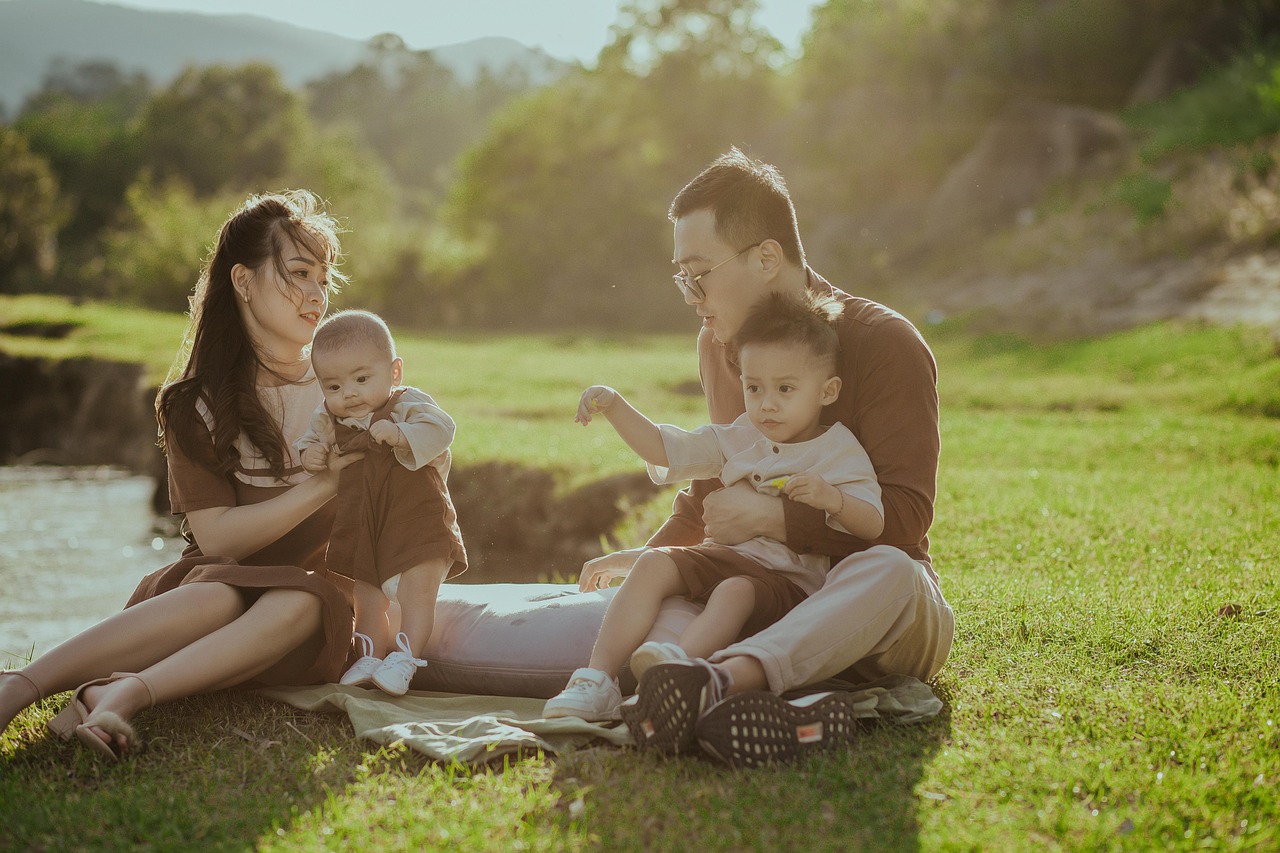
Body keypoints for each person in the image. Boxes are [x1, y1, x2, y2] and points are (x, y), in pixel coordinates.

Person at [577, 148, 955, 767]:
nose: (692, 295)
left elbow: (906, 521)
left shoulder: (886, 343)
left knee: (890, 569)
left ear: (768, 257)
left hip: (874, 616)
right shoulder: (721, 344)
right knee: (661, 606)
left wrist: (772, 520)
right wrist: (656, 559)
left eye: (700, 273)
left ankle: (724, 682)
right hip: (763, 596)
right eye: (682, 277)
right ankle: (708, 693)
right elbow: (714, 485)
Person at [0, 190, 361, 761]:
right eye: (298, 273)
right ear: (243, 282)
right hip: (214, 592)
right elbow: (217, 539)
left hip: (305, 610)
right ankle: (19, 686)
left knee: (302, 601)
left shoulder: (348, 385)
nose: (317, 294)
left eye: (324, 277)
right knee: (220, 596)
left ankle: (120, 693)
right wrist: (322, 485)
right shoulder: (196, 402)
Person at [545, 290, 883, 724]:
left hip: (787, 586)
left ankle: (675, 671)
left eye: (786, 389)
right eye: (754, 387)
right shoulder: (739, 437)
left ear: (828, 391)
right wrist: (614, 404)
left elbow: (872, 524)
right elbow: (666, 448)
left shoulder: (838, 451)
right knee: (654, 566)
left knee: (734, 591)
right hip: (723, 557)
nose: (767, 403)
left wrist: (832, 499)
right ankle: (597, 680)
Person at [295, 309, 467, 696]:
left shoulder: (407, 404)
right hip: (364, 525)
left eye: (361, 379)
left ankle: (406, 658)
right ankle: (368, 656)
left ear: (394, 373)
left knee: (416, 591)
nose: (349, 393)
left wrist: (402, 434)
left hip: (416, 519)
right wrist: (311, 454)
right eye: (333, 386)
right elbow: (310, 439)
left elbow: (443, 429)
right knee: (367, 598)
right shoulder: (328, 417)